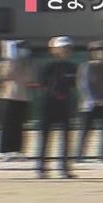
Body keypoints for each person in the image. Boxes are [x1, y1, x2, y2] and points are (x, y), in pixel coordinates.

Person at [36, 36, 78, 179]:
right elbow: (42, 84)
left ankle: (64, 168)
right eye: (62, 48)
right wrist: (54, 93)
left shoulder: (71, 66)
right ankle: (41, 168)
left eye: (67, 48)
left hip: (65, 105)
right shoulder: (47, 65)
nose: (65, 51)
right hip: (49, 104)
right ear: (54, 49)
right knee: (45, 137)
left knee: (66, 137)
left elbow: (73, 84)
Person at [77, 40, 103, 161]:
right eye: (98, 50)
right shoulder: (85, 66)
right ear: (92, 53)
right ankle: (80, 154)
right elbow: (84, 85)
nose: (101, 53)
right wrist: (93, 99)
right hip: (88, 105)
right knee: (85, 130)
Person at [0, 40, 33, 162]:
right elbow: (5, 75)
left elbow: (28, 77)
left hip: (22, 97)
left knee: (19, 125)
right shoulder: (6, 62)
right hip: (9, 96)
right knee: (8, 125)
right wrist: (11, 60)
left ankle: (16, 150)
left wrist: (22, 64)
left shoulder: (26, 63)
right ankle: (4, 151)